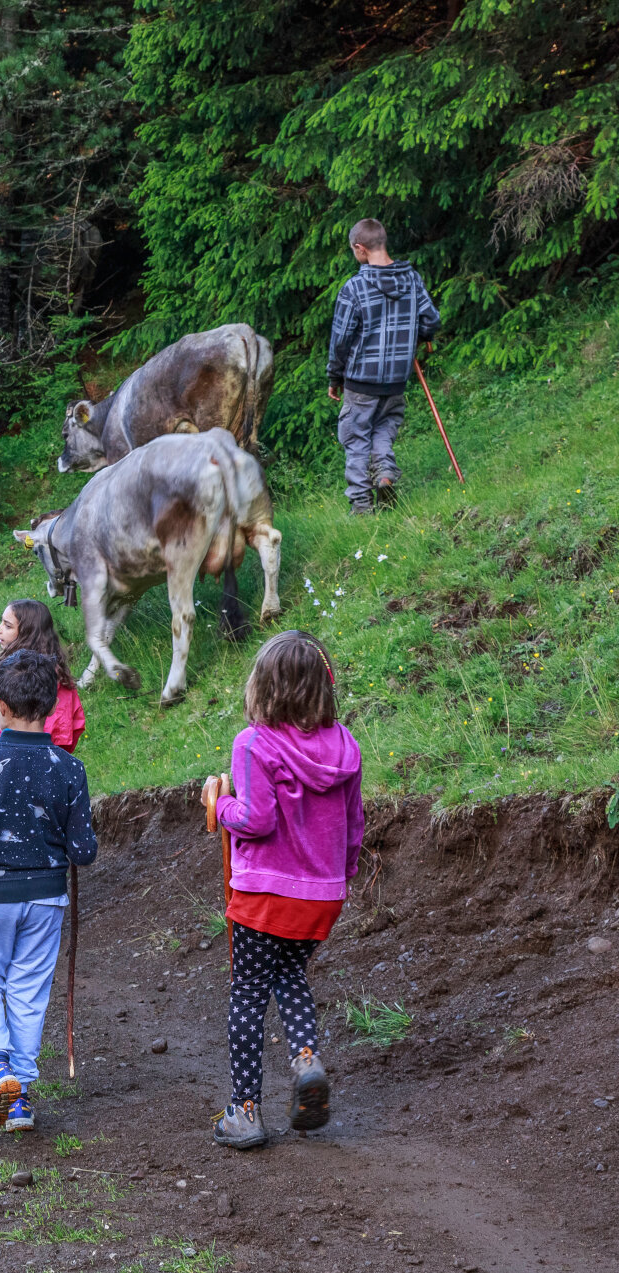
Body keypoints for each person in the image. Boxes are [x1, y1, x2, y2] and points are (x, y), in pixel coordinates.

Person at [202, 630, 363, 1151]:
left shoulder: (253, 743)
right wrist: (345, 872)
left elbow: (256, 819)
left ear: (263, 686)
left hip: (264, 894)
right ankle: (306, 1059)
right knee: (291, 973)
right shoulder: (345, 746)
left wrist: (218, 806)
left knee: (248, 993)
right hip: (322, 894)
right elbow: (354, 822)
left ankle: (245, 1111)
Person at [0, 650, 97, 1133]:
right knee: (28, 990)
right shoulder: (69, 768)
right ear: (53, 706)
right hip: (47, 896)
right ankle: (20, 1100)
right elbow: (84, 849)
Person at [327, 218, 441, 515]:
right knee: (383, 429)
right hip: (396, 380)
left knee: (355, 438)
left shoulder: (354, 288)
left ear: (359, 248)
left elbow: (340, 339)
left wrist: (334, 376)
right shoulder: (412, 280)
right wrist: (420, 336)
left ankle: (361, 507)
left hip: (360, 382)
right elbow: (431, 320)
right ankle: (386, 475)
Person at [0, 599, 85, 755]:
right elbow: (72, 727)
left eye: (7, 626)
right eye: (1, 623)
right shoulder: (60, 677)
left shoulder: (6, 675)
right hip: (48, 763)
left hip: (5, 763)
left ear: (27, 634)